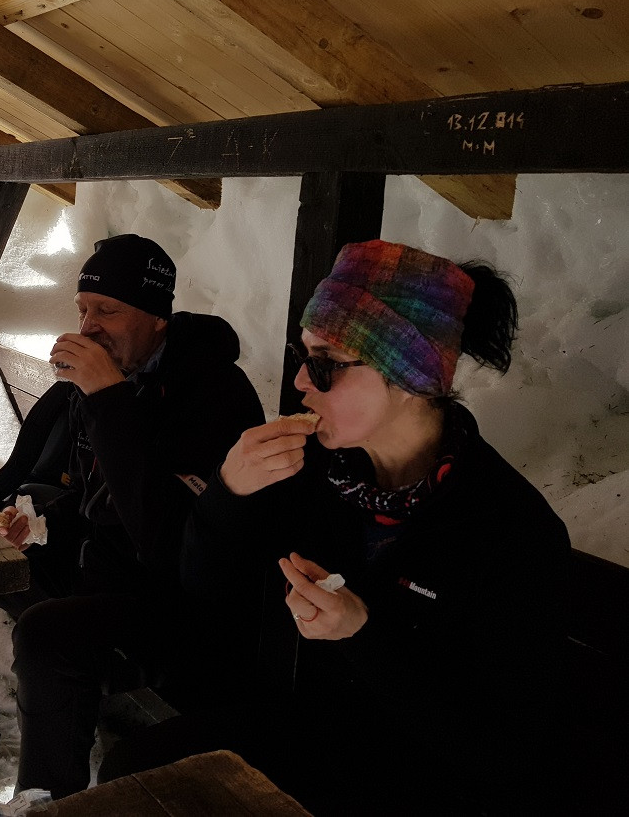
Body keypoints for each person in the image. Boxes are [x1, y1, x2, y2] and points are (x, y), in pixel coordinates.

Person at [100, 240, 570, 814]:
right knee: (134, 773)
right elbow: (203, 590)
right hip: (307, 738)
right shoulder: (318, 470)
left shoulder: (509, 529)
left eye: (325, 363)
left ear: (410, 376)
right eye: (302, 356)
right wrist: (229, 493)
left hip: (417, 786)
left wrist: (363, 632)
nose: (301, 380)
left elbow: (499, 753)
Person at [0, 234, 264, 791]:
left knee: (48, 635)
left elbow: (165, 541)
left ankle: (50, 797)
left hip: (164, 604)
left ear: (157, 317)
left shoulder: (214, 394)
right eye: (82, 309)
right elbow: (82, 493)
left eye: (108, 310)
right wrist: (29, 521)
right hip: (90, 565)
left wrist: (109, 399)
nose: (89, 325)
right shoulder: (105, 378)